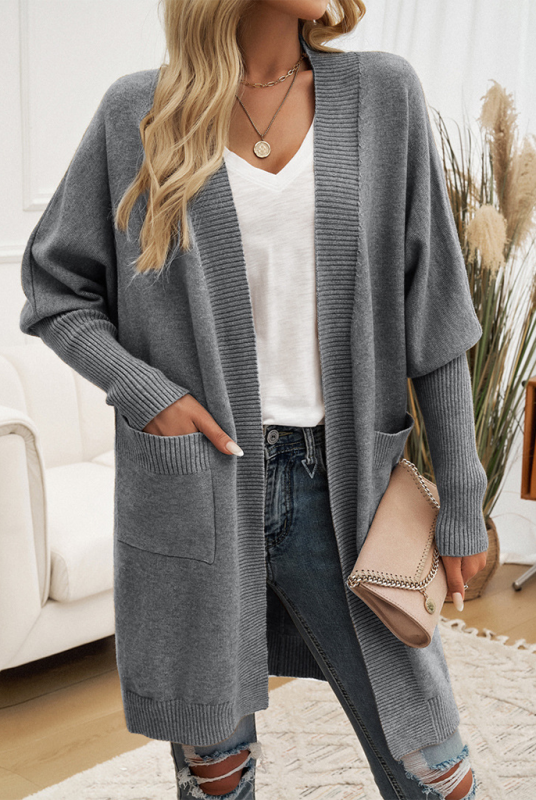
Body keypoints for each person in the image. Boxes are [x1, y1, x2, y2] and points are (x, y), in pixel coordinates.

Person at [19, 1, 489, 798]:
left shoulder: (384, 96)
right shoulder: (138, 114)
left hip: (344, 492)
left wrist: (463, 501)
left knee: (433, 766)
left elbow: (435, 318)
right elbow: (55, 290)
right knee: (217, 771)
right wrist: (149, 395)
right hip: (193, 487)